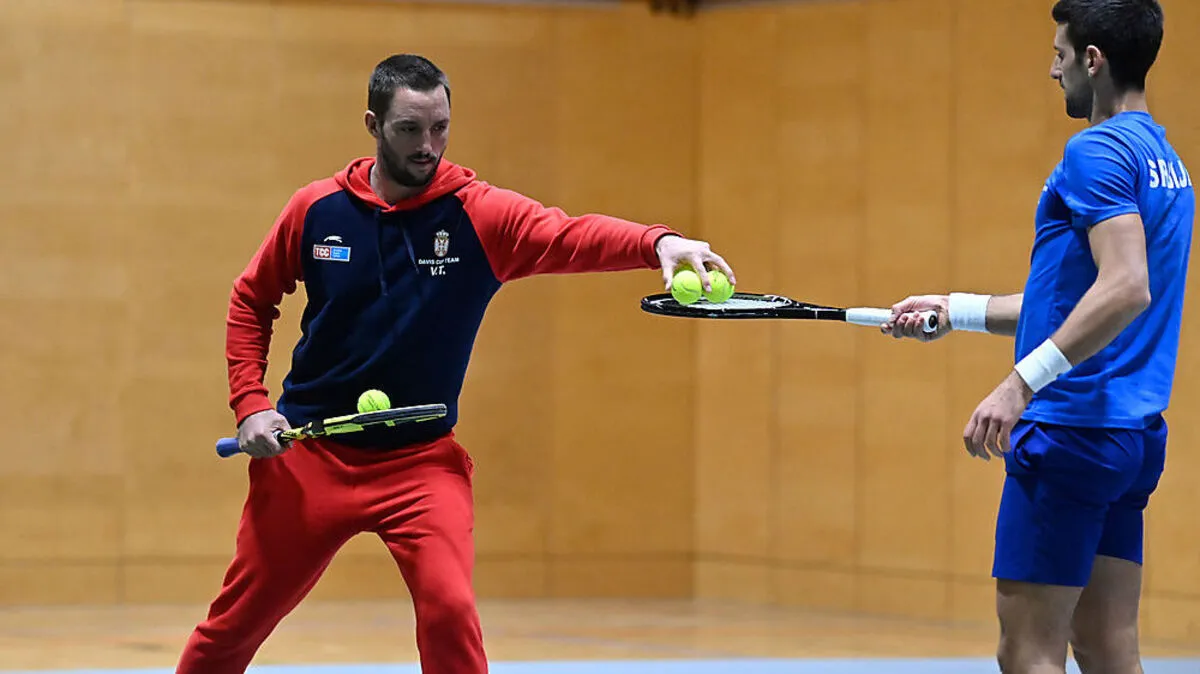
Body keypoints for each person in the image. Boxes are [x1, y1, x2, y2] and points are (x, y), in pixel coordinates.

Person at [175, 53, 735, 674]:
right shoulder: (317, 210)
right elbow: (251, 299)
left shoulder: (478, 214)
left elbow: (570, 234)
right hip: (310, 455)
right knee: (233, 627)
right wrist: (251, 405)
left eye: (440, 127)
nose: (428, 146)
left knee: (448, 608)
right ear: (373, 123)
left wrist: (658, 241)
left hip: (419, 465)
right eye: (409, 129)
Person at [884, 2, 1192, 673]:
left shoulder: (1095, 151)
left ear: (1092, 60)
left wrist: (1019, 382)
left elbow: (1126, 287)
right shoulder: (1164, 160)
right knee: (1110, 648)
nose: (1051, 70)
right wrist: (956, 308)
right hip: (1129, 438)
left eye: (1059, 54)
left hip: (1070, 431)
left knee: (1029, 651)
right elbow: (1082, 298)